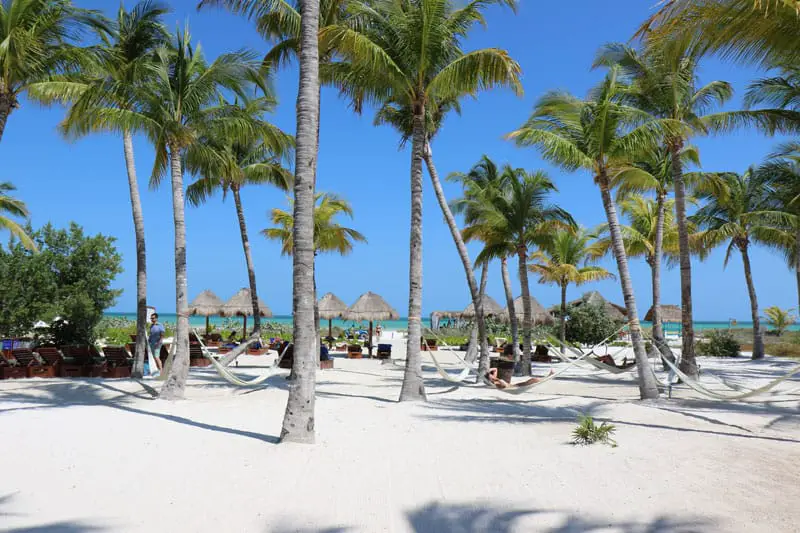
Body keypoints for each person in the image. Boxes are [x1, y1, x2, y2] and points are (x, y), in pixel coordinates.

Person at [485, 367, 554, 389]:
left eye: (492, 375)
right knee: (533, 380)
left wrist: (489, 371)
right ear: (490, 379)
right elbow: (504, 386)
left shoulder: (495, 380)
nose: (493, 376)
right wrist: (497, 379)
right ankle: (549, 376)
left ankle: (548, 376)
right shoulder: (495, 382)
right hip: (516, 387)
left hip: (517, 385)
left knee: (533, 380)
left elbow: (495, 369)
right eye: (491, 376)